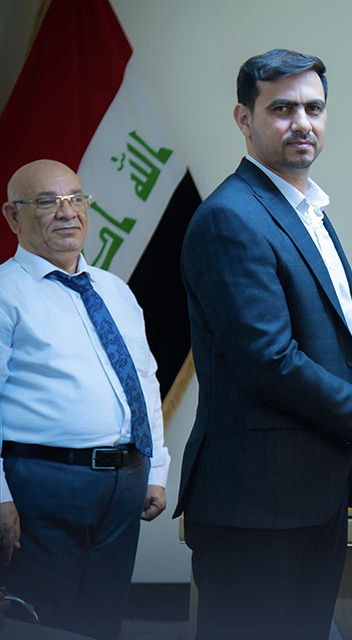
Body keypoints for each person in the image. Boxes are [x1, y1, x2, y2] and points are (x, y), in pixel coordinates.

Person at [175, 49, 352, 639]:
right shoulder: (231, 217)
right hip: (256, 504)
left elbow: (307, 336)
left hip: (312, 495)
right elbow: (270, 362)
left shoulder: (306, 209)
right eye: (282, 109)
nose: (302, 122)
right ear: (244, 119)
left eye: (314, 108)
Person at [0, 160, 170, 640]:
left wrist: (156, 469)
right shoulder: (5, 291)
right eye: (47, 202)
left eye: (76, 199)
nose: (67, 212)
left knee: (102, 621)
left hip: (125, 483)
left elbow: (145, 381)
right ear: (13, 216)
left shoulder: (114, 290)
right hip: (42, 486)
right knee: (41, 622)